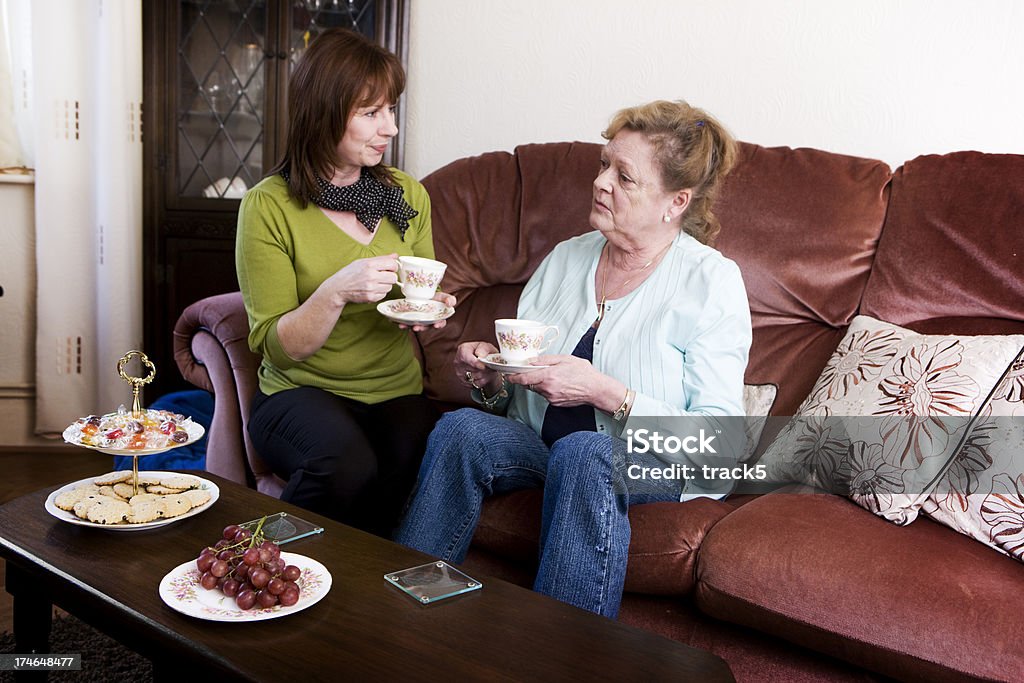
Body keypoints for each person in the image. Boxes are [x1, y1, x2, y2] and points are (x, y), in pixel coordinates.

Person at [395, 100, 751, 618]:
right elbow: (522, 389)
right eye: (604, 164)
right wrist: (491, 377)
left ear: (675, 202)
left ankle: (559, 656)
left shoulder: (710, 282)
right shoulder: (567, 257)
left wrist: (605, 392)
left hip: (649, 461)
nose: (601, 181)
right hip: (546, 446)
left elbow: (722, 443)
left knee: (586, 452)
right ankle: (401, 619)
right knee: (462, 430)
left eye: (624, 176)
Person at [236, 28, 454, 537]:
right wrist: (337, 290)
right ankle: (263, 564)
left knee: (413, 466)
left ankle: (359, 600)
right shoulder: (269, 206)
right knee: (347, 463)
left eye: (392, 111)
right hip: (299, 391)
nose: (391, 129)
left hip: (394, 390)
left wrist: (431, 309)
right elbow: (281, 348)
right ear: (325, 112)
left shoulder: (405, 196)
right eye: (372, 113)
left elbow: (413, 298)